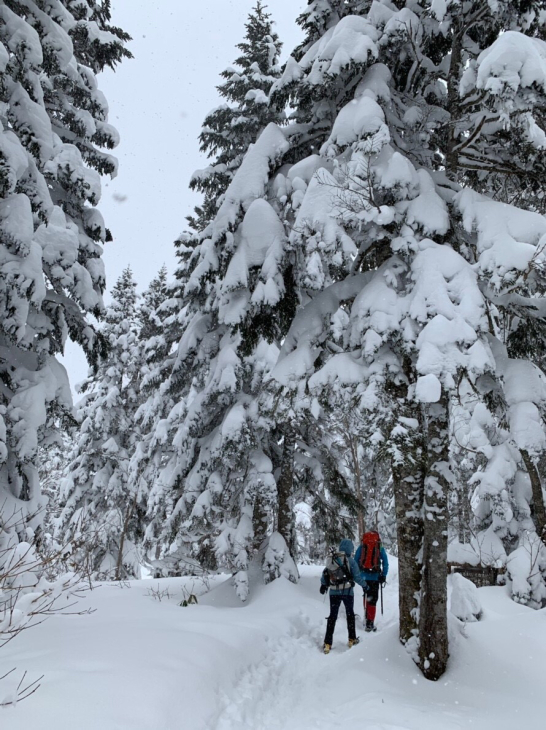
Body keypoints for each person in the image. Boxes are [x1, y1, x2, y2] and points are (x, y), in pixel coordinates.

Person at [320, 538, 369, 654]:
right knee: (350, 615)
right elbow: (357, 577)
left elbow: (325, 574)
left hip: (333, 593)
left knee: (332, 616)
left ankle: (328, 643)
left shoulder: (333, 559)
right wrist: (365, 586)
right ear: (350, 549)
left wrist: (323, 585)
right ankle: (352, 639)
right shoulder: (351, 561)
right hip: (347, 593)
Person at [354, 531, 389, 632]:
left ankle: (367, 615)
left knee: (367, 595)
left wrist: (359, 573)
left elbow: (355, 560)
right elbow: (385, 562)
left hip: (364, 577)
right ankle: (370, 623)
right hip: (375, 577)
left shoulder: (362, 546)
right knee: (373, 600)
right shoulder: (379, 547)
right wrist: (384, 575)